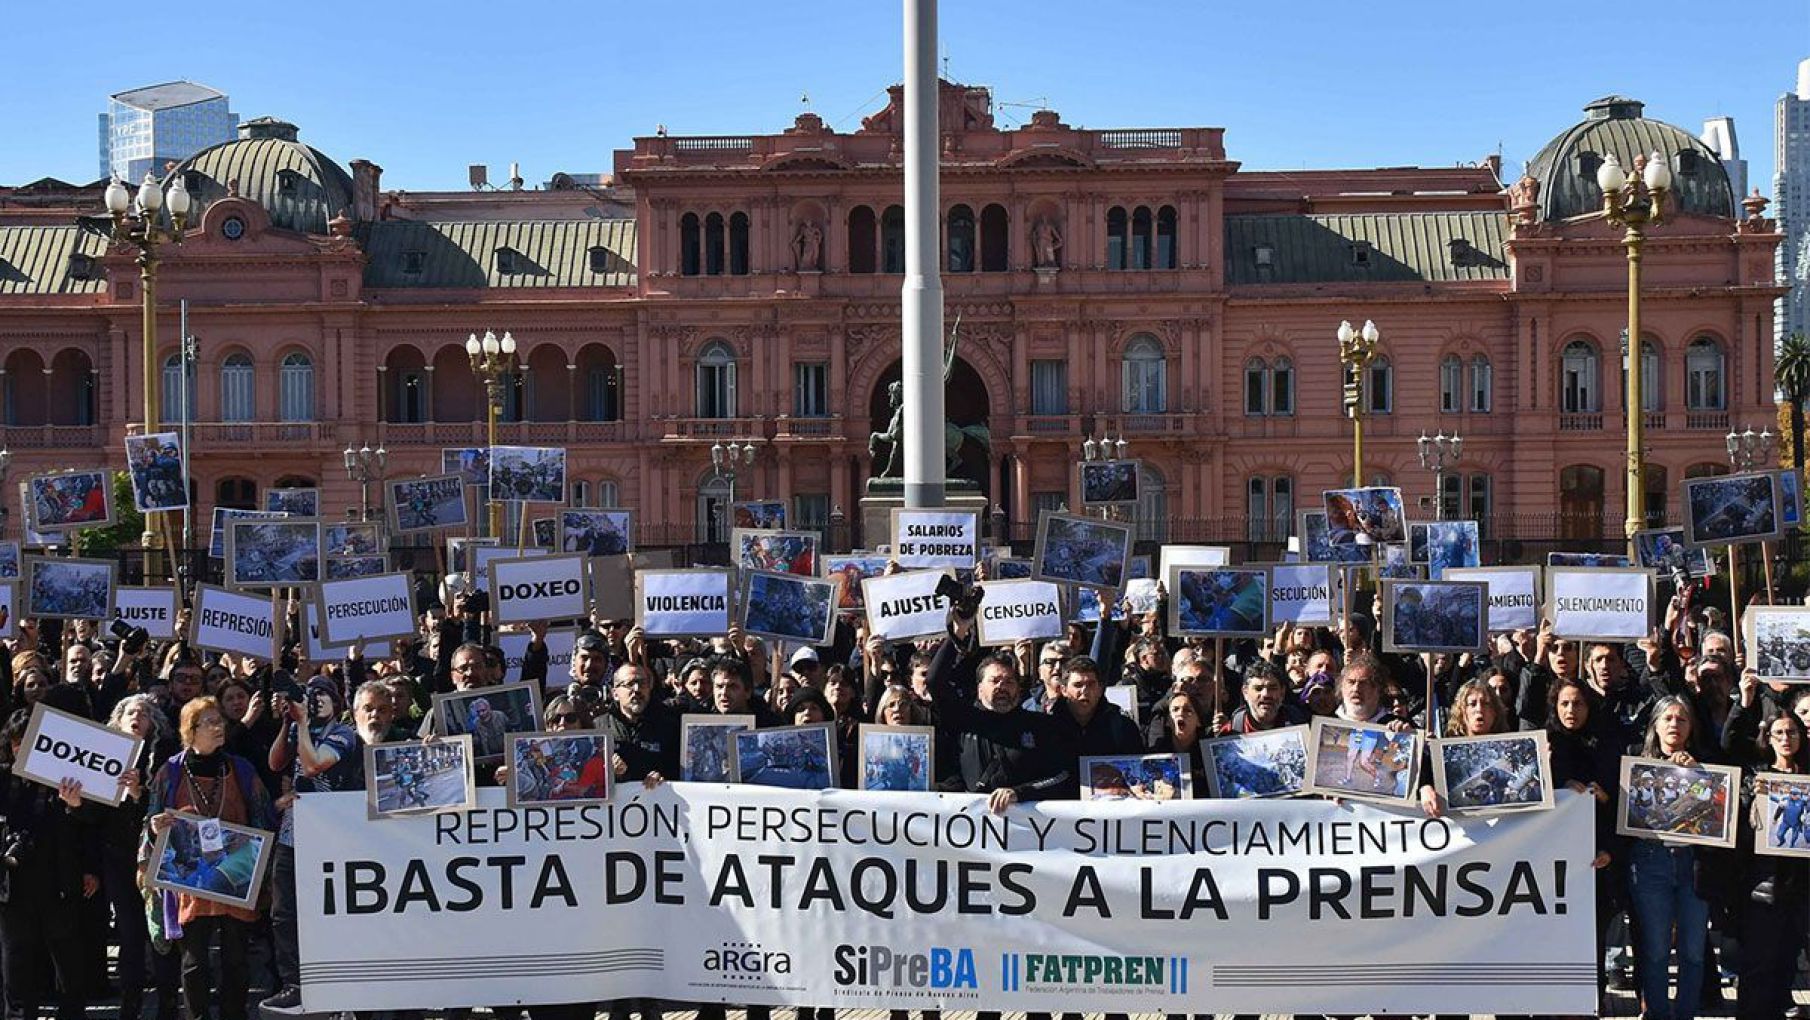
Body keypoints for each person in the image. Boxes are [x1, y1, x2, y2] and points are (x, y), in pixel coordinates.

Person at [144, 697, 277, 1020]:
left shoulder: (241, 769)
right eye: (210, 722)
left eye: (221, 722)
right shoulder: (170, 772)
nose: (219, 727)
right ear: (191, 730)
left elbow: (263, 816)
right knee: (194, 962)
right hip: (191, 878)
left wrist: (278, 809)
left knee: (236, 959)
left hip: (235, 874)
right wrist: (155, 826)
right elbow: (151, 818)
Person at [262, 679, 359, 1011]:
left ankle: (337, 983)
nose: (315, 701)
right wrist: (287, 722)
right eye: (310, 695)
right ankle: (294, 984)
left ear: (337, 702)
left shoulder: (343, 734)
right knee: (284, 914)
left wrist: (302, 723)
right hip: (292, 834)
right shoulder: (296, 727)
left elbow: (315, 764)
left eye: (322, 696)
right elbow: (275, 763)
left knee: (327, 911)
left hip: (330, 837)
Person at [1720, 668, 1809, 1020]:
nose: (1786, 738)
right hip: (1763, 886)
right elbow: (1728, 743)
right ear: (1768, 738)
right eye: (1779, 733)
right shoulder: (1754, 774)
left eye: (1792, 732)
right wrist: (1751, 799)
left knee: (1787, 962)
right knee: (1758, 965)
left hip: (1801, 886)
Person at [0, 710, 97, 1020]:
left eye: (31, 740)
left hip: (59, 879)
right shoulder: (4, 779)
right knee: (17, 957)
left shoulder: (66, 778)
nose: (23, 748)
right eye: (17, 742)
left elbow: (90, 826)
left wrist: (76, 805)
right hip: (12, 882)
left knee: (67, 957)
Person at [1625, 696, 1713, 1020]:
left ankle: (1686, 1013)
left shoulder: (1706, 765)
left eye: (1682, 719)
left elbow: (1715, 814)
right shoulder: (1636, 762)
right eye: (1668, 718)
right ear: (1656, 725)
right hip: (1651, 861)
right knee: (1656, 950)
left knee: (1693, 951)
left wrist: (1697, 775)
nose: (1674, 724)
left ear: (1691, 728)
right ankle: (1657, 1014)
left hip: (1693, 864)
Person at [101, 695, 180, 1020]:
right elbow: (93, 816)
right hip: (118, 858)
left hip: (156, 857)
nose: (137, 716)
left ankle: (168, 1006)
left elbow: (168, 809)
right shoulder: (103, 754)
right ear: (118, 721)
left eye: (145, 713)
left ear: (154, 724)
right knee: (130, 934)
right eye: (130, 712)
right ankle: (129, 1006)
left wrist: (138, 795)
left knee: (160, 933)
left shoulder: (164, 759)